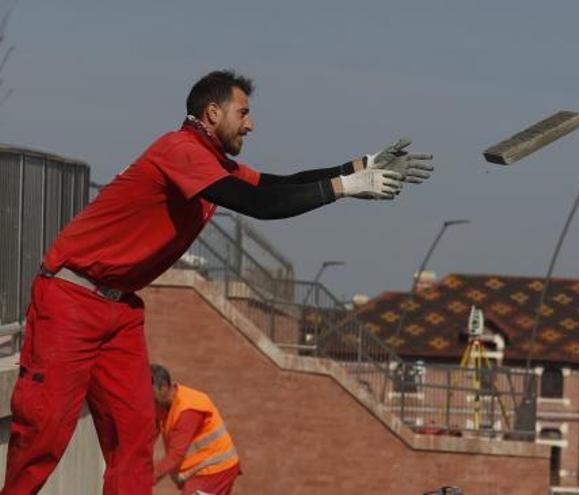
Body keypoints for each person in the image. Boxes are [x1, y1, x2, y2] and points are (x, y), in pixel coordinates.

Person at [1, 70, 433, 495]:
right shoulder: (180, 151)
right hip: (72, 297)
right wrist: (345, 187)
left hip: (119, 309)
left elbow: (271, 185)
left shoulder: (211, 163)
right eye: (243, 113)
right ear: (212, 112)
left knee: (134, 434)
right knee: (45, 429)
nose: (251, 124)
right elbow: (260, 204)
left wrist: (358, 168)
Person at [151, 364, 240, 494]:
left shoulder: (188, 410)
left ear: (163, 387)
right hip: (202, 472)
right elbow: (150, 432)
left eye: (150, 393)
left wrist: (148, 479)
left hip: (215, 470)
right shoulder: (160, 404)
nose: (146, 399)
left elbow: (175, 455)